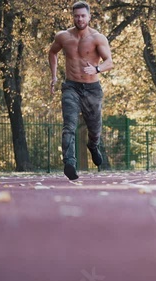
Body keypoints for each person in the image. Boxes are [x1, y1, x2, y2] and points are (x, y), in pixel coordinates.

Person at [48, 1, 114, 180]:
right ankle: (69, 163)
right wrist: (54, 76)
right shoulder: (63, 36)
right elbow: (52, 53)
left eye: (83, 15)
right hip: (71, 86)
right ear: (73, 16)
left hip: (92, 89)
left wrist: (97, 69)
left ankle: (93, 145)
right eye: (77, 15)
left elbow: (110, 61)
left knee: (95, 129)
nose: (80, 19)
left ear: (89, 17)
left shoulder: (97, 38)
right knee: (69, 125)